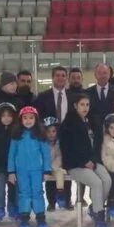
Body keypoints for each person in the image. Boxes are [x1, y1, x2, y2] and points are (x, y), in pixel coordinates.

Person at [59, 94, 111, 227]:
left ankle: (95, 207)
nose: (85, 108)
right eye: (82, 104)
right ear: (75, 105)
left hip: (92, 162)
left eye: (87, 105)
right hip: (75, 165)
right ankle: (99, 217)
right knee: (96, 182)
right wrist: (83, 162)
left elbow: (95, 145)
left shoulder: (90, 122)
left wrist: (92, 161)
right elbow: (67, 150)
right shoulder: (67, 125)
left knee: (106, 180)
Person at [35, 67, 74, 207]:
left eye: (63, 75)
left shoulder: (72, 96)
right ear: (53, 77)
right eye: (57, 75)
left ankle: (67, 198)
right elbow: (38, 119)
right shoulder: (42, 96)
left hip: (68, 137)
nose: (60, 78)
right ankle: (51, 201)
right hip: (49, 136)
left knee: (66, 167)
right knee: (50, 165)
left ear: (66, 78)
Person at [8, 106, 51, 227]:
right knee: (24, 193)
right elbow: (11, 154)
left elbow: (46, 154)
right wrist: (11, 171)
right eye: (25, 118)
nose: (28, 121)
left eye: (31, 118)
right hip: (22, 171)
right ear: (20, 120)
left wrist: (47, 170)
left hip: (36, 170)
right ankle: (24, 218)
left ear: (36, 120)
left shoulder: (40, 135)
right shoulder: (16, 136)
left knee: (37, 192)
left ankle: (41, 217)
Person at [0, 103, 19, 221]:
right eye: (4, 116)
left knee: (14, 187)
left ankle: (13, 207)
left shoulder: (17, 132)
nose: (6, 118)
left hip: (14, 167)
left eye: (9, 115)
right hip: (0, 167)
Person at [42, 117, 66, 212]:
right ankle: (51, 203)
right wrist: (47, 167)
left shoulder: (59, 144)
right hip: (45, 168)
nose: (51, 134)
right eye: (48, 132)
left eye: (53, 131)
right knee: (49, 184)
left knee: (60, 174)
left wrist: (53, 166)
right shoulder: (43, 144)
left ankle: (61, 193)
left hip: (56, 167)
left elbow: (59, 156)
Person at [86, 63, 114, 128]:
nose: (102, 76)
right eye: (99, 73)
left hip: (113, 130)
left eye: (105, 73)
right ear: (95, 75)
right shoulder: (87, 93)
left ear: (109, 75)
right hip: (94, 131)